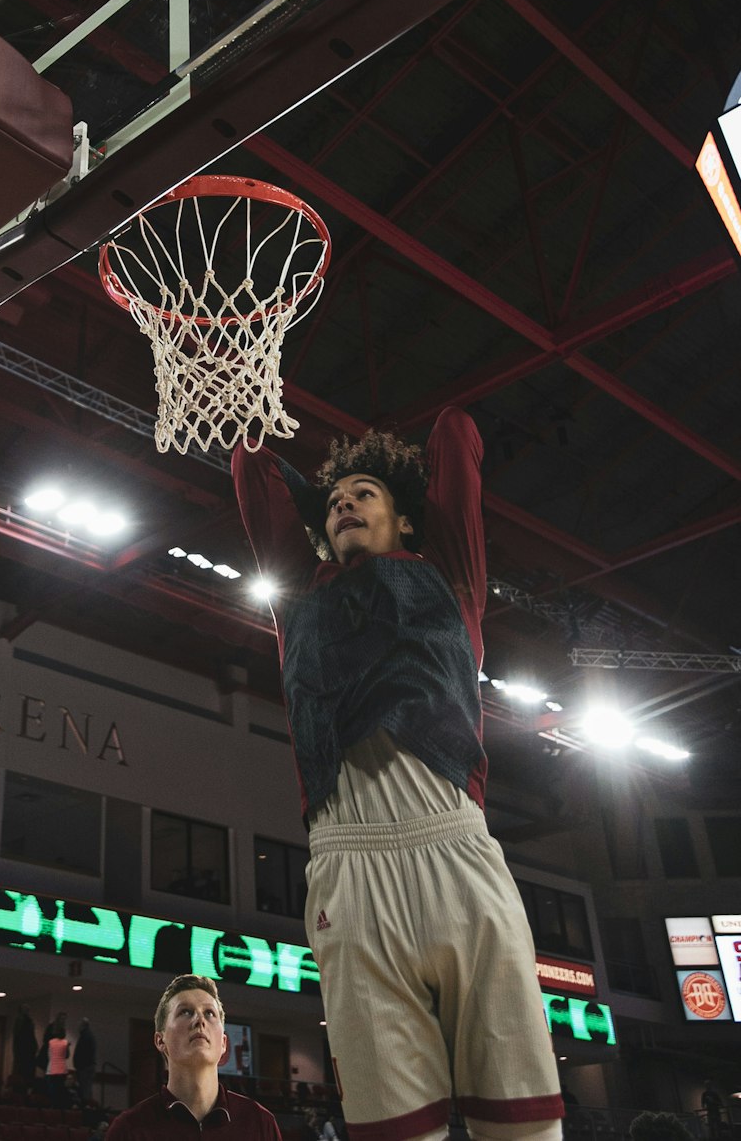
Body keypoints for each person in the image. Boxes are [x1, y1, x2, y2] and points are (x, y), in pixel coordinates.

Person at [233, 407, 565, 1141]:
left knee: (523, 1128)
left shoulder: (453, 581)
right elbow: (258, 485)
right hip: (350, 875)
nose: (345, 501)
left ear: (408, 522)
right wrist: (249, 411)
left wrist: (423, 437)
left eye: (365, 493)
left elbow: (457, 440)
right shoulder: (300, 598)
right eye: (335, 500)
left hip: (457, 856)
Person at [105, 973, 281, 1141]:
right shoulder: (128, 1130)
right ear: (160, 1041)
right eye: (185, 1012)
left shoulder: (260, 1123)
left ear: (224, 1044)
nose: (200, 1020)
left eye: (209, 1013)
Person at [44, 1015, 70, 1110]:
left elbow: (49, 1055)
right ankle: (58, 1108)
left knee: (52, 1090)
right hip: (61, 1069)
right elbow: (66, 1055)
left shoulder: (51, 1042)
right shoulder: (65, 1043)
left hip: (52, 1068)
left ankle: (52, 1107)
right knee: (59, 1090)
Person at [12, 1005, 38, 1093]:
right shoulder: (20, 1022)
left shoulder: (27, 1022)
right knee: (22, 1077)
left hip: (26, 1054)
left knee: (25, 1077)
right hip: (24, 1054)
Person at [73, 1018, 98, 1108]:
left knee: (84, 1089)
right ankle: (87, 1107)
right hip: (88, 1066)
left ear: (83, 1026)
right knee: (87, 1088)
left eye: (80, 1025)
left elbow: (83, 1053)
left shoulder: (85, 1036)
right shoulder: (89, 1035)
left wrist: (78, 1065)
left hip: (85, 1067)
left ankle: (85, 1109)